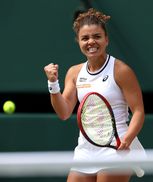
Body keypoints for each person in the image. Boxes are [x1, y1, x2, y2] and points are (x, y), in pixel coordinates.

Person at [44, 8, 145, 182]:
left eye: (97, 36)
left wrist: (127, 140)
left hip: (117, 148)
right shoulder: (74, 73)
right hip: (85, 151)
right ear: (78, 41)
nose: (91, 42)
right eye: (85, 38)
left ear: (106, 39)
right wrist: (53, 84)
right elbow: (64, 112)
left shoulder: (121, 70)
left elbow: (138, 111)